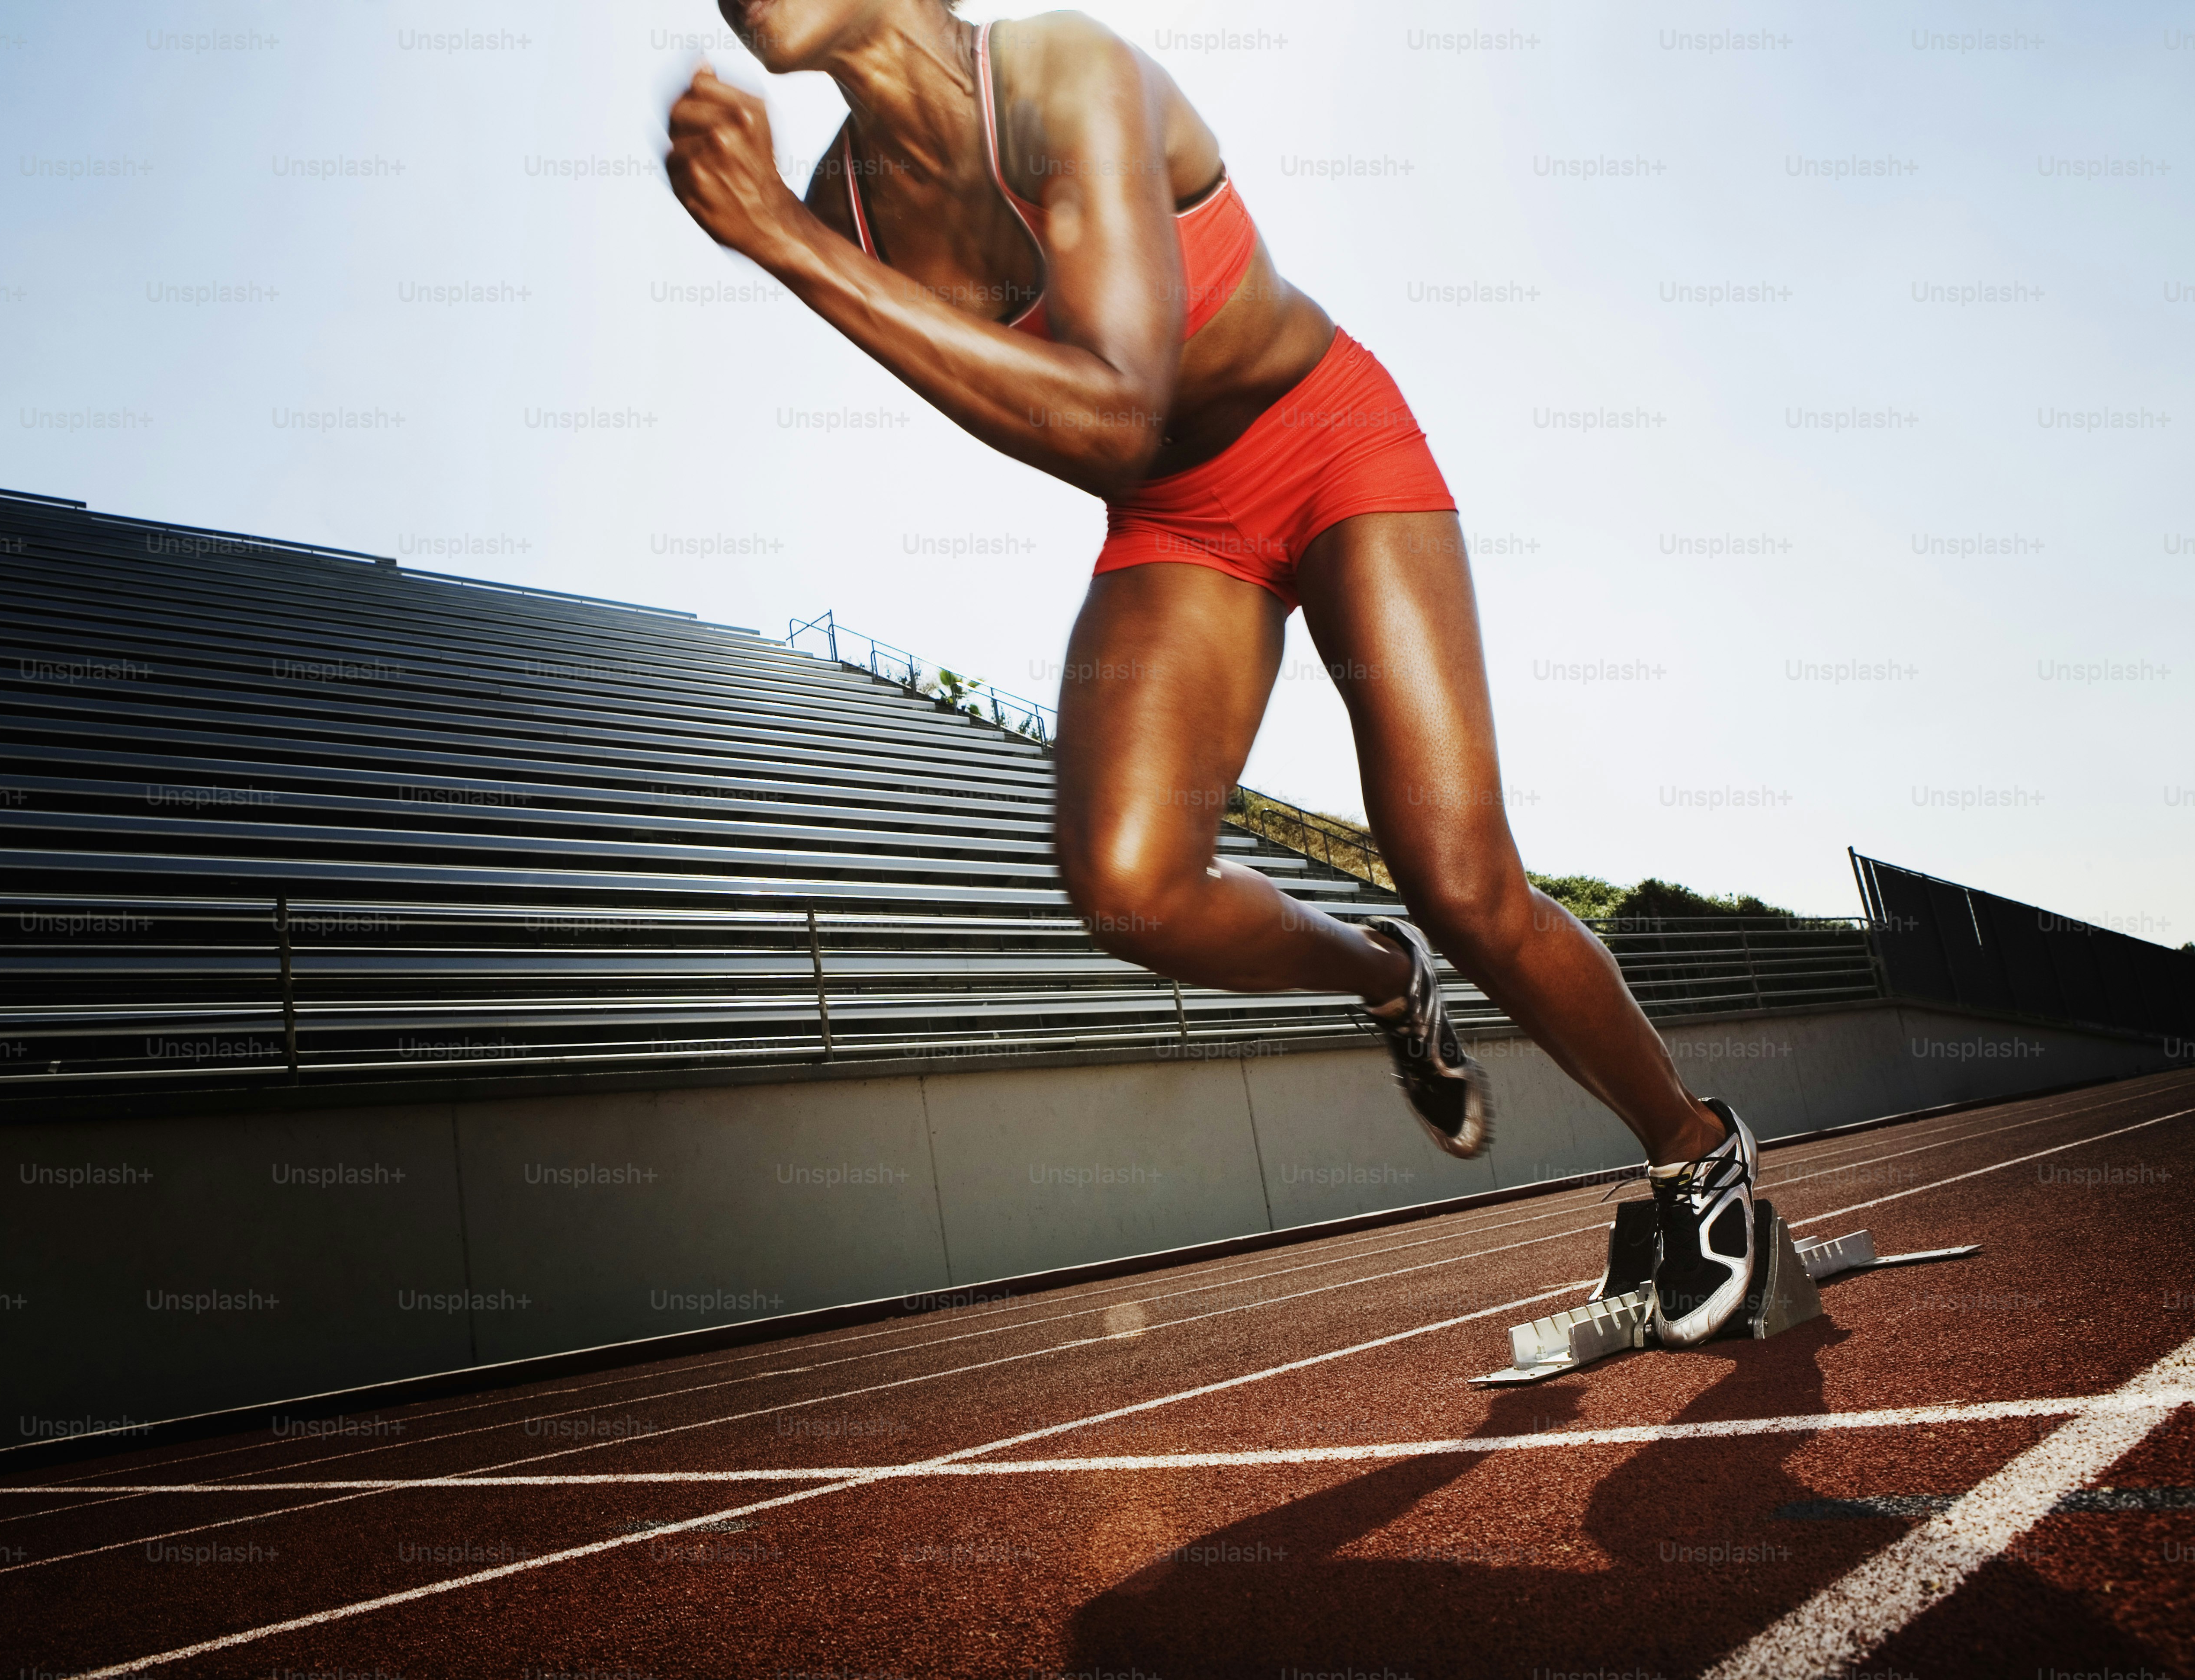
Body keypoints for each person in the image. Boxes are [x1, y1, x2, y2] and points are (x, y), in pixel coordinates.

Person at [665, 0, 1758, 1345]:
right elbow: (1053, 422)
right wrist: (797, 237)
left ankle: (1698, 1152)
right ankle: (1380, 978)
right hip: (1183, 524)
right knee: (1129, 889)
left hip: (1327, 441)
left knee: (1465, 881)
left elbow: (1114, 410)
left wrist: (775, 242)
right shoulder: (841, 199)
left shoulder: (1060, 70)